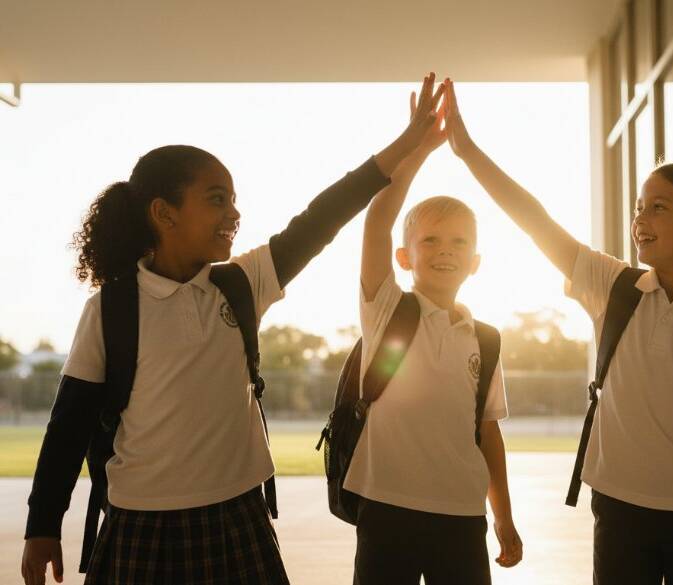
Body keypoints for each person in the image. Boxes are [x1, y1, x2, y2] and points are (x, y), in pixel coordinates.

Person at [21, 73, 444, 585]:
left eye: (234, 200)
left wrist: (406, 145)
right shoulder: (111, 309)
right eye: (217, 199)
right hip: (139, 521)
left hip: (237, 517)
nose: (235, 213)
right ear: (163, 213)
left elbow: (322, 216)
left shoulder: (242, 284)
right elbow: (68, 427)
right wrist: (42, 525)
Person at [441, 79, 673, 585]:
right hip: (618, 509)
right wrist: (467, 151)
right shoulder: (615, 287)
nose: (640, 219)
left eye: (659, 207)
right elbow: (534, 220)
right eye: (639, 207)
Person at [348, 76, 522, 585]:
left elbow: (487, 433)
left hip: (462, 515)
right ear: (405, 257)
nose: (446, 249)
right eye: (431, 240)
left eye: (459, 241)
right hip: (386, 508)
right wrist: (418, 148)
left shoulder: (485, 338)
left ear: (476, 261)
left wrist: (504, 517)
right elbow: (376, 221)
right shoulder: (386, 309)